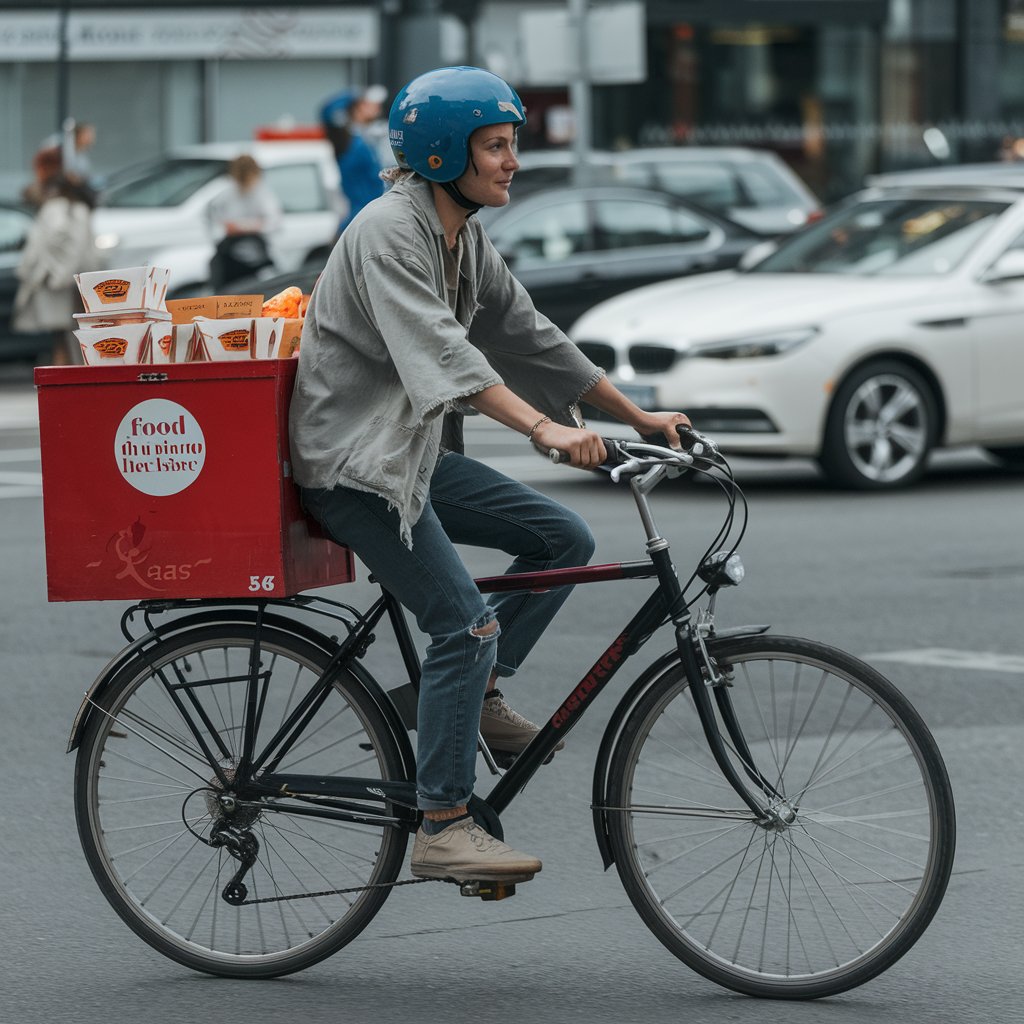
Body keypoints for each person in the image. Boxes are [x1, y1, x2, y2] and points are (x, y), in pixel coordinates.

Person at [289, 66, 691, 884]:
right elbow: (446, 352)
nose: (513, 161)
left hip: (411, 458)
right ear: (443, 153)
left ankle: (473, 695)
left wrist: (636, 416)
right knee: (465, 624)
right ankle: (442, 822)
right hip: (355, 468)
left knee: (561, 535)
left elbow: (529, 333)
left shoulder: (462, 234)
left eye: (513, 145)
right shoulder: (386, 233)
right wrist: (543, 429)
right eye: (497, 146)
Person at [12, 173, 102, 364]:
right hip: (78, 280)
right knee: (75, 333)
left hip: (59, 282)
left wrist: (53, 273)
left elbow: (57, 239)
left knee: (63, 334)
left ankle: (65, 378)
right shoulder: (78, 208)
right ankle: (73, 375)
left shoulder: (57, 208)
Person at [319, 84, 388, 233]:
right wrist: (355, 94)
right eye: (365, 103)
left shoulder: (365, 137)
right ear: (354, 109)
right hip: (359, 220)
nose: (375, 107)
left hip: (367, 217)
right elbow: (327, 111)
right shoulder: (349, 142)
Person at [207, 154, 281, 288]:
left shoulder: (262, 194)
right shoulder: (227, 194)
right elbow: (215, 222)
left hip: (258, 258)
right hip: (230, 258)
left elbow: (274, 222)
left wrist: (243, 227)